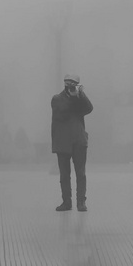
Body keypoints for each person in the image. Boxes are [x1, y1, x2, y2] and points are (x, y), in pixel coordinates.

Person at [51, 75, 93, 211]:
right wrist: (74, 98)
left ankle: (81, 202)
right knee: (64, 175)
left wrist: (80, 95)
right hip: (63, 141)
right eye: (69, 84)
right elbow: (63, 111)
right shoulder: (57, 99)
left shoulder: (79, 99)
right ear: (64, 84)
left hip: (79, 141)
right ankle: (66, 202)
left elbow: (89, 109)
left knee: (81, 173)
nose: (70, 87)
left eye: (73, 84)